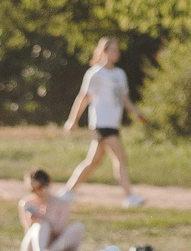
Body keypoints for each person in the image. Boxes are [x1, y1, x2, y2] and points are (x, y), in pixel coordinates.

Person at [62, 37, 148, 209]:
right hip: (102, 123)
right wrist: (73, 120)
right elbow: (83, 97)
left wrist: (138, 114)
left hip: (113, 124)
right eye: (113, 50)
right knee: (120, 158)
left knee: (93, 161)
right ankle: (130, 196)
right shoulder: (95, 73)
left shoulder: (119, 74)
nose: (117, 53)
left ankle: (68, 192)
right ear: (104, 51)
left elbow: (125, 100)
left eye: (118, 50)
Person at [19, 170, 88, 251]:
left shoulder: (61, 203)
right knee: (41, 225)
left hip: (55, 247)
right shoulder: (27, 203)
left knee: (79, 227)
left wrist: (43, 217)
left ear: (47, 186)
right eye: (32, 190)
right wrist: (33, 220)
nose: (36, 193)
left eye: (39, 188)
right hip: (33, 248)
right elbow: (28, 231)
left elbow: (59, 230)